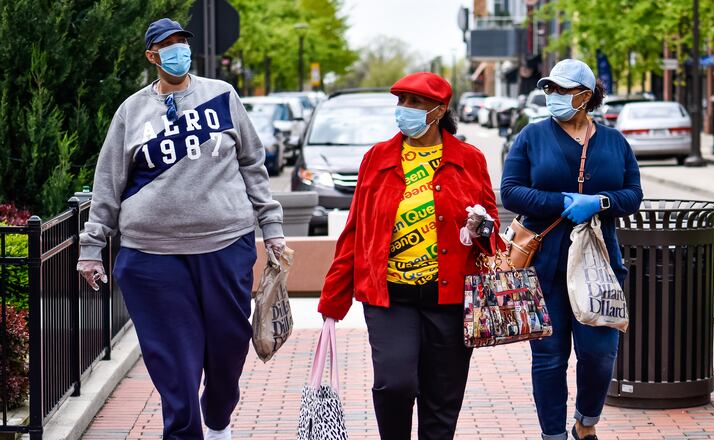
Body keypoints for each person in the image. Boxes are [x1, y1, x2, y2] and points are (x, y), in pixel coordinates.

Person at [75, 18, 285, 440]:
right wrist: (91, 247)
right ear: (152, 56)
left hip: (225, 245)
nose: (177, 51)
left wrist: (272, 227)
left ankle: (218, 419)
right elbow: (108, 182)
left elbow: (252, 164)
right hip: (150, 256)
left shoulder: (222, 96)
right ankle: (184, 431)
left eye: (181, 43)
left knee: (228, 347)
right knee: (174, 359)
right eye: (166, 46)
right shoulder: (131, 111)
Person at [317, 72, 500, 440]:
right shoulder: (377, 158)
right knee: (394, 384)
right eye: (401, 102)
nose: (405, 110)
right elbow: (355, 230)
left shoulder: (469, 159)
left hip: (449, 300)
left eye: (415, 103)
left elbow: (491, 231)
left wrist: (480, 227)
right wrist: (332, 301)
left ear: (440, 110)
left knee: (442, 400)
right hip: (390, 297)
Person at [501, 59, 643, 440]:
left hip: (598, 265)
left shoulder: (614, 142)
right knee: (548, 359)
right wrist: (561, 202)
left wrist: (599, 203)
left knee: (600, 354)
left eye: (562, 90)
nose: (554, 97)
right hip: (543, 266)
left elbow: (633, 194)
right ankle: (553, 435)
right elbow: (511, 191)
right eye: (550, 89)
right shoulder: (531, 136)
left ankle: (585, 422)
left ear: (585, 95)